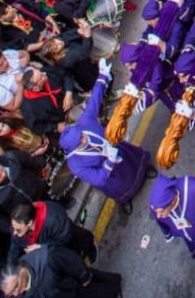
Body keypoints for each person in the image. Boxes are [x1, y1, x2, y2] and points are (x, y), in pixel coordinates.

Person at [60, 68, 153, 214]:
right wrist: (109, 161)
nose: (84, 137)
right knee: (119, 188)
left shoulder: (84, 123)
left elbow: (94, 101)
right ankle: (125, 198)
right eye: (81, 140)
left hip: (121, 151)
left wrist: (102, 76)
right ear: (74, 147)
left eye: (81, 134)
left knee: (135, 161)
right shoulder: (75, 165)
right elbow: (98, 180)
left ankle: (144, 169)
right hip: (110, 176)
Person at [9, 199, 97, 264]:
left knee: (83, 244)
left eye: (18, 230)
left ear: (30, 223)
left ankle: (90, 250)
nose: (14, 233)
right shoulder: (18, 223)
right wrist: (11, 269)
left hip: (73, 240)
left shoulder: (55, 219)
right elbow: (14, 246)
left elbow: (64, 241)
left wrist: (41, 247)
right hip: (57, 251)